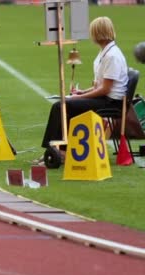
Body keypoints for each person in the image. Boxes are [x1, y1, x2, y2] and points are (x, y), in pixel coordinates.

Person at [37, 16, 128, 164]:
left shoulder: (112, 56)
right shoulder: (105, 52)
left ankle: (56, 150)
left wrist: (79, 98)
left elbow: (105, 89)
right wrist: (83, 92)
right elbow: (101, 85)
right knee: (63, 106)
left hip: (110, 102)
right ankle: (58, 149)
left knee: (62, 106)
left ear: (98, 33)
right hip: (104, 98)